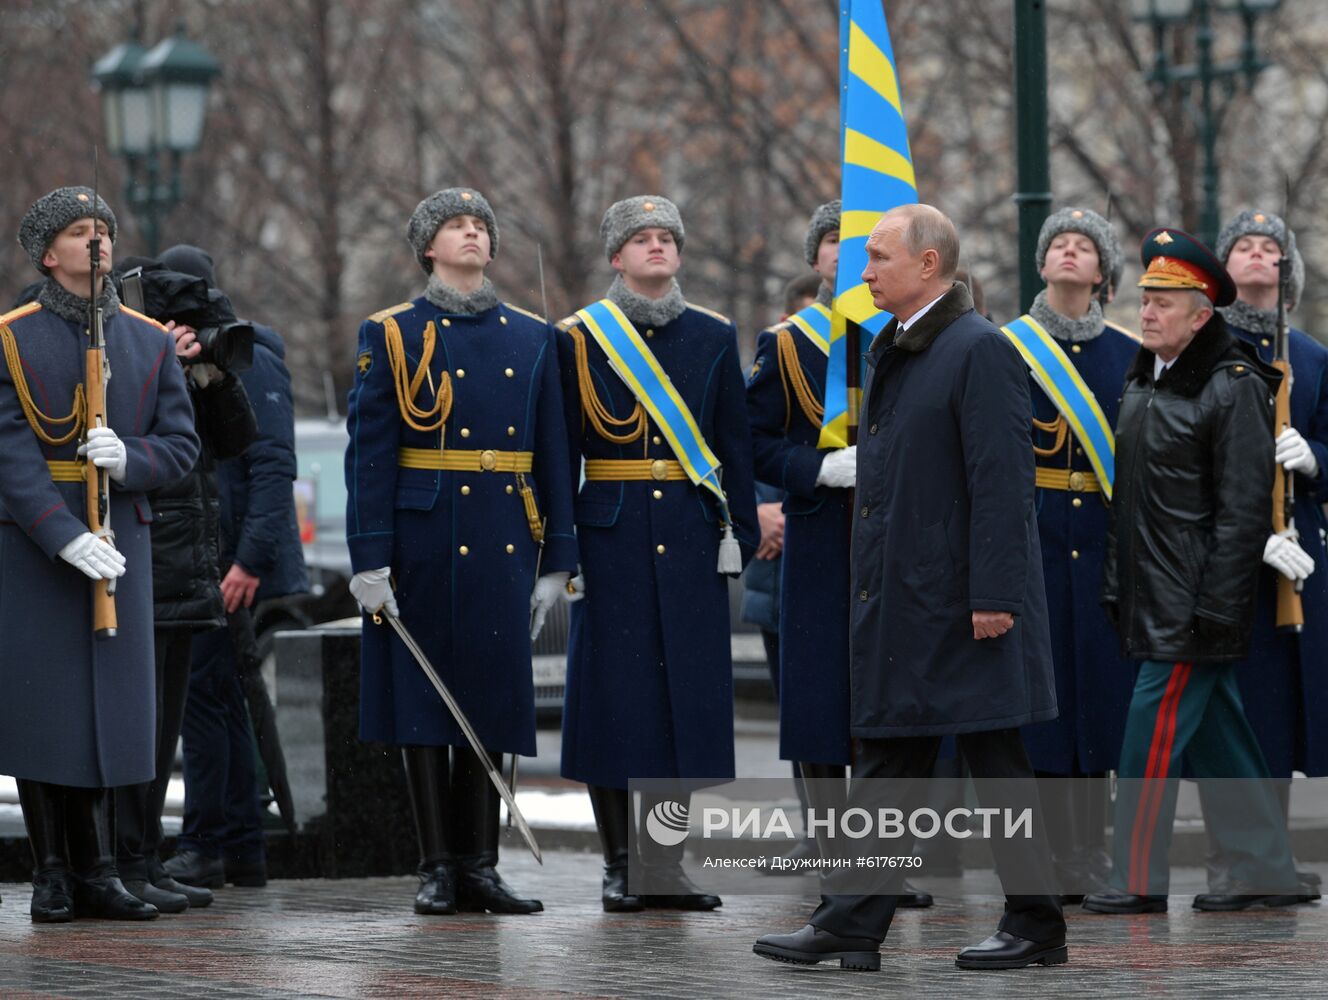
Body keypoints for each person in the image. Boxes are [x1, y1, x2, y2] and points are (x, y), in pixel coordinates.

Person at [754, 203, 1066, 972]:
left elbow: (1002, 484)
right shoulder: (899, 347)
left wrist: (996, 595)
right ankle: (854, 921)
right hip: (906, 600)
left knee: (997, 768)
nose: (863, 273)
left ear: (929, 265)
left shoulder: (977, 349)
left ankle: (1035, 922)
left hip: (966, 605)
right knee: (890, 760)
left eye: (879, 258)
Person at [344, 187, 577, 915]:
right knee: (423, 701)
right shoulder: (391, 333)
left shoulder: (536, 337)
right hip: (421, 538)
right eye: (455, 226)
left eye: (480, 226)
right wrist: (369, 558)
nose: (472, 234)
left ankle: (481, 864)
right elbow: (372, 453)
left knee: (492, 701)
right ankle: (437, 865)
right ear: (428, 249)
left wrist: (557, 561)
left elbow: (553, 452)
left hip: (505, 535)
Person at [1083, 228, 1314, 914]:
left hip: (1192, 605)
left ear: (1201, 314)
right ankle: (1265, 868)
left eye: (1164, 301)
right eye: (1146, 298)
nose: (1147, 312)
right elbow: (1132, 503)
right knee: (1224, 741)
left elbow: (1243, 510)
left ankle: (1136, 878)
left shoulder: (1232, 384)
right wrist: (1118, 583)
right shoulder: (1144, 378)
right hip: (1153, 594)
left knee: (1146, 742)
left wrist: (1216, 605)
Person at [0, 187, 199, 922]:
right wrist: (63, 535)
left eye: (104, 230)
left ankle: (102, 867)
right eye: (81, 232)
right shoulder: (12, 337)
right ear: (49, 255)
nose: (98, 242)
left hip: (122, 535)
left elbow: (182, 445)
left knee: (109, 715)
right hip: (36, 543)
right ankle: (53, 871)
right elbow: (10, 453)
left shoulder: (146, 338)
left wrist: (131, 458)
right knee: (44, 712)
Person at [556, 195, 758, 913]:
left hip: (691, 535)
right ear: (616, 257)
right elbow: (559, 453)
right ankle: (621, 864)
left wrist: (741, 533)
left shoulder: (712, 334)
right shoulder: (578, 337)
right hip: (609, 537)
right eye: (640, 240)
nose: (656, 248)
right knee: (618, 703)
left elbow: (733, 444)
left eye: (666, 238)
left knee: (681, 705)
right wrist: (562, 546)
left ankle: (666, 867)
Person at [746, 201, 931, 907]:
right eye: (837, 243)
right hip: (823, 537)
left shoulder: (910, 337)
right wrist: (813, 471)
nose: (851, 258)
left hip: (900, 538)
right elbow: (756, 440)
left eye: (869, 248)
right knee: (824, 701)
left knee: (892, 699)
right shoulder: (789, 344)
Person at [113, 249, 258, 914]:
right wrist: (156, 364)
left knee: (166, 726)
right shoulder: (125, 352)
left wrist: (210, 375)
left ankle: (144, 858)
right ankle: (120, 860)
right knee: (134, 725)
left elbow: (234, 441)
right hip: (147, 562)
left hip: (188, 566)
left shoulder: (191, 367)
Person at [1000, 208, 1138, 898]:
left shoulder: (1126, 352)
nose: (1069, 252)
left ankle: (1090, 848)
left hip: (1105, 543)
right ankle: (1050, 855)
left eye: (1084, 246)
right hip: (1036, 534)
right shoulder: (1007, 347)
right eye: (1058, 243)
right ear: (1041, 261)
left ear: (1102, 271)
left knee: (1099, 699)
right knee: (1045, 705)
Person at [163, 244, 307, 891]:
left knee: (210, 701)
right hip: (212, 555)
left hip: (231, 561)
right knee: (221, 699)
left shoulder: (251, 354)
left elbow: (272, 465)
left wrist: (248, 559)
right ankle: (238, 845)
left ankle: (212, 844)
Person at [1202, 210, 1328, 894]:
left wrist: (1315, 457)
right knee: (1233, 709)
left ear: (1288, 272)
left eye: (1270, 248)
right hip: (1226, 552)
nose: (1257, 255)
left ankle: (1270, 859)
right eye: (1244, 247)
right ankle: (1231, 861)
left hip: (1296, 556)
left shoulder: (1309, 356)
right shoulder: (1207, 347)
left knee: (1276, 712)